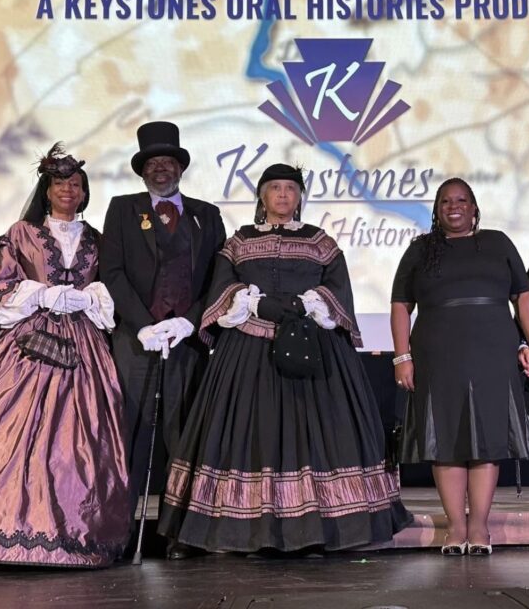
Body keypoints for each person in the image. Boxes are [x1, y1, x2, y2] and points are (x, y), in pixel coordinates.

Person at [157, 163, 411, 553]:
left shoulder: (320, 242)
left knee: (314, 435)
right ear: (262, 195)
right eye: (274, 188)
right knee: (246, 433)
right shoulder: (239, 241)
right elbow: (223, 287)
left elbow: (338, 289)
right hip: (248, 351)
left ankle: (314, 530)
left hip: (312, 348)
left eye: (290, 189)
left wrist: (304, 304)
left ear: (299, 197)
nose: (282, 195)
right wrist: (256, 303)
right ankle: (223, 529)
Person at [0, 143, 129, 568]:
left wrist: (89, 298)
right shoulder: (22, 234)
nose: (68, 190)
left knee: (81, 443)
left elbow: (113, 287)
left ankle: (73, 536)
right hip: (27, 343)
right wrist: (43, 294)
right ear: (46, 190)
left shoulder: (98, 240)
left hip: (84, 346)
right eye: (59, 183)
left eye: (75, 184)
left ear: (85, 192)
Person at [391, 177, 529, 556]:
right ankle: (455, 526)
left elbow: (522, 294)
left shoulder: (497, 243)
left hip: (493, 349)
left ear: (474, 208)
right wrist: (402, 356)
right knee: (446, 441)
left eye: (461, 200)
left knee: (486, 439)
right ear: (436, 209)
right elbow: (399, 306)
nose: (453, 206)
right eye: (445, 201)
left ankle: (479, 527)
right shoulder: (420, 250)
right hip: (437, 352)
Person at [99, 121, 225, 558]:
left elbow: (219, 277)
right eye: (152, 163)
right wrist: (142, 324)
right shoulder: (121, 209)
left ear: (179, 168)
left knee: (182, 435)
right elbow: (111, 271)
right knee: (129, 432)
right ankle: (118, 531)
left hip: (187, 343)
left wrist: (190, 322)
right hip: (136, 341)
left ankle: (179, 533)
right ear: (142, 171)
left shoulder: (206, 214)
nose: (160, 169)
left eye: (167, 162)